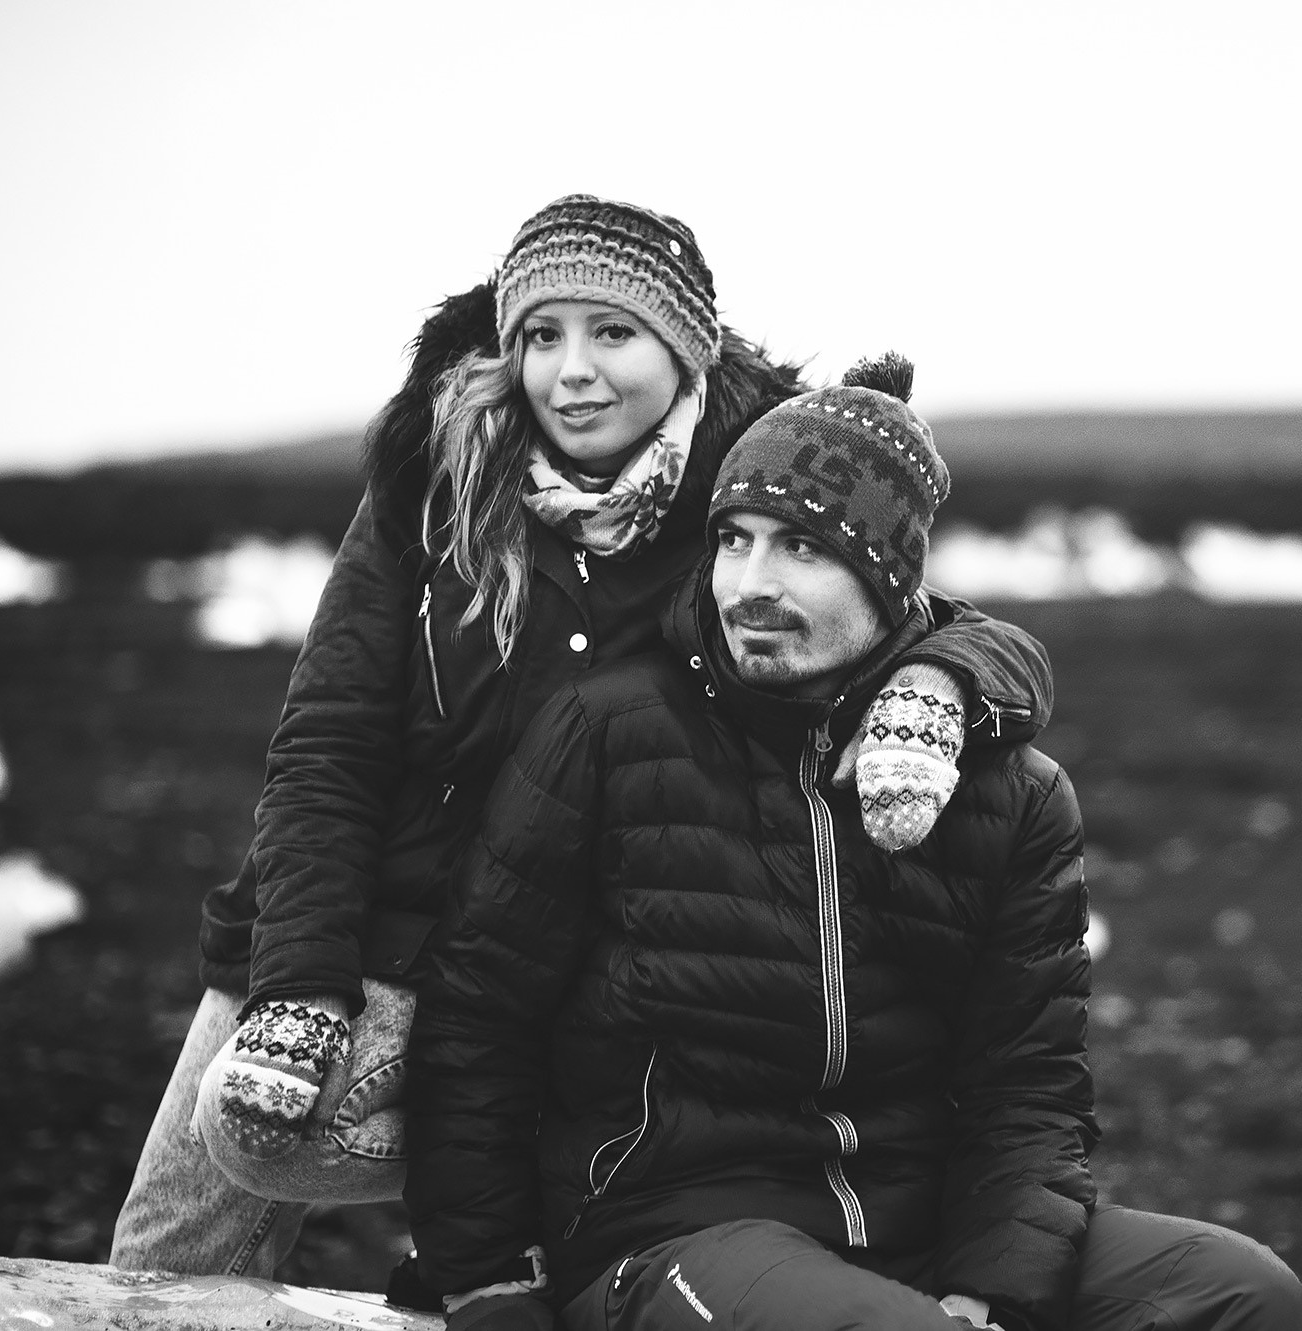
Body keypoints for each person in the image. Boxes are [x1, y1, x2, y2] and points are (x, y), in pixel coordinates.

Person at [109, 196, 1054, 1280]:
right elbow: (328, 741)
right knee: (165, 1253)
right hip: (325, 913)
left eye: (614, 333)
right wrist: (297, 985)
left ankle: (545, 1208)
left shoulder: (732, 496)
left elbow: (940, 620)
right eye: (539, 336)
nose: (573, 373)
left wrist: (936, 681)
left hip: (534, 956)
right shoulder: (432, 479)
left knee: (460, 1222)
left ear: (684, 347)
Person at [405, 356, 1302, 1331]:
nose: (749, 584)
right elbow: (478, 1021)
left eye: (800, 545)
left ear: (887, 573)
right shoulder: (611, 733)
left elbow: (1026, 1084)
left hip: (917, 1222)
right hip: (672, 1231)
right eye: (732, 540)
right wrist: (489, 1280)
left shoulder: (1011, 792)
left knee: (1242, 1291)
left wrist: (991, 1286)